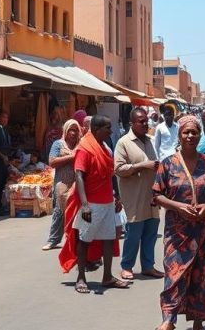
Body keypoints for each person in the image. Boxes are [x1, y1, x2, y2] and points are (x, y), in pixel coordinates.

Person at [152, 114, 205, 330]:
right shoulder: (168, 164)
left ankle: (198, 321)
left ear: (199, 135)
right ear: (180, 135)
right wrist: (178, 207)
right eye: (186, 132)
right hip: (177, 230)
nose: (190, 135)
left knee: (203, 274)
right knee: (174, 273)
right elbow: (156, 194)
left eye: (194, 132)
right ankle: (169, 319)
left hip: (204, 231)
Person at [59, 115, 128, 294]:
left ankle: (107, 276)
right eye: (107, 128)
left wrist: (117, 197)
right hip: (91, 203)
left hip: (107, 201)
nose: (111, 131)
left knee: (108, 239)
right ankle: (81, 277)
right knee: (84, 239)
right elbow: (79, 176)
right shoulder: (85, 149)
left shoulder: (104, 147)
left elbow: (111, 174)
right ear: (97, 130)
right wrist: (85, 204)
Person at [114, 108, 163, 281]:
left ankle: (148, 266)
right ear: (131, 123)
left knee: (150, 233)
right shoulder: (123, 143)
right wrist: (142, 166)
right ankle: (126, 266)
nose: (145, 124)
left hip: (151, 196)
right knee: (133, 234)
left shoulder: (149, 141)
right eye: (140, 121)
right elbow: (119, 169)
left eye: (146, 121)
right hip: (134, 197)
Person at [43, 119, 82, 251]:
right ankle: (53, 240)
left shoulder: (81, 144)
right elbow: (52, 162)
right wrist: (72, 157)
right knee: (60, 211)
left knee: (77, 212)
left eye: (76, 130)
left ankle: (74, 240)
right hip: (62, 183)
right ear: (65, 131)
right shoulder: (58, 144)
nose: (73, 133)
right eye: (70, 130)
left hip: (78, 183)